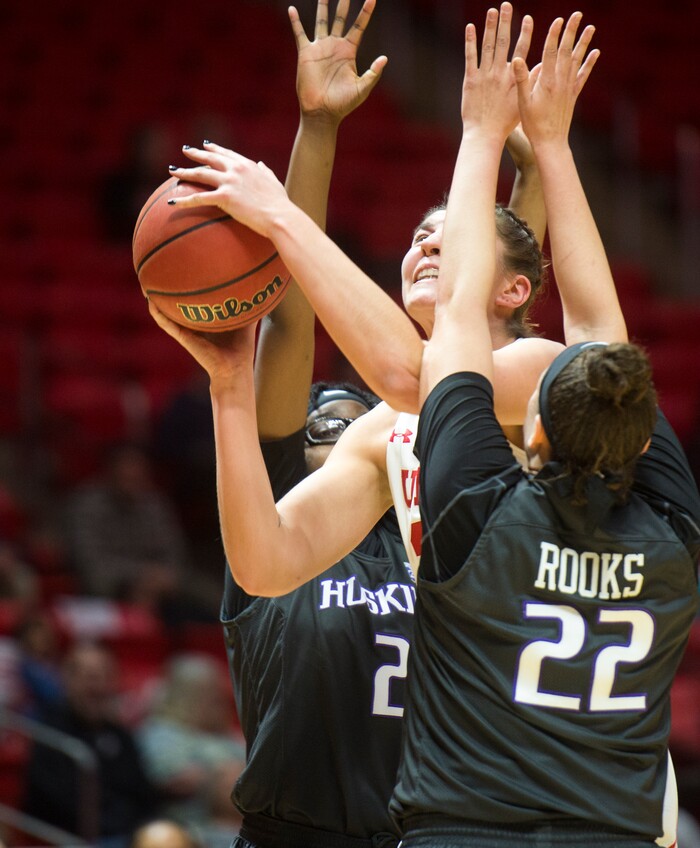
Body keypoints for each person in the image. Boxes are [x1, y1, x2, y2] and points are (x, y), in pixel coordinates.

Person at [386, 7, 699, 847]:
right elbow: (598, 340)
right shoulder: (672, 535)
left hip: (468, 830)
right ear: (637, 434)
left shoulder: (479, 519)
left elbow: (463, 310)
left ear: (535, 435)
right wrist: (547, 145)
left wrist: (488, 131)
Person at [23, 640, 157, 847]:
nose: (97, 686)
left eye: (105, 677)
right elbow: (55, 807)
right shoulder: (49, 734)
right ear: (68, 679)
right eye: (89, 677)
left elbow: (143, 796)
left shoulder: (120, 735)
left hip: (128, 836)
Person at [137, 653, 245, 838]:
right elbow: (174, 781)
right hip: (191, 828)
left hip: (242, 826)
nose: (219, 699)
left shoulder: (228, 735)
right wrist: (226, 776)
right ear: (186, 695)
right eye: (209, 692)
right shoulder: (163, 732)